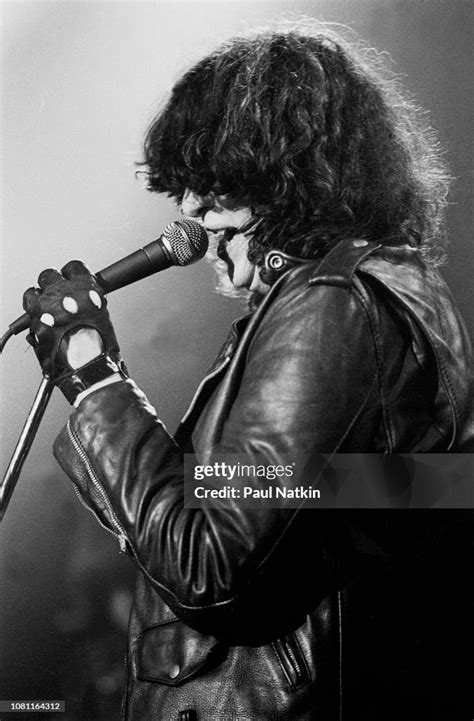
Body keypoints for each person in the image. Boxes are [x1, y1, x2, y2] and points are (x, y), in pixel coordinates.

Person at [22, 22, 473, 721]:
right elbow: (303, 502)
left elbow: (213, 565)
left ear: (286, 169)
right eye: (184, 188)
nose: (191, 211)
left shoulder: (334, 303)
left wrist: (95, 380)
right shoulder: (373, 297)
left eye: (213, 182)